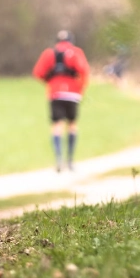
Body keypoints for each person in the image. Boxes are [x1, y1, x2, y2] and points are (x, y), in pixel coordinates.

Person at [32, 30, 90, 172]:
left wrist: (49, 81)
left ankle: (58, 158)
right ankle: (70, 160)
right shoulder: (76, 52)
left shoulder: (49, 53)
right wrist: (80, 89)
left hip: (55, 93)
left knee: (56, 125)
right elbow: (84, 72)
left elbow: (37, 73)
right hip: (72, 94)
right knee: (72, 125)